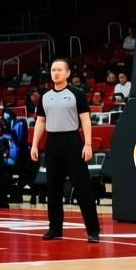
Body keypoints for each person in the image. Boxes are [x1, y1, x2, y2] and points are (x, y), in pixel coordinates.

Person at [30, 58, 100, 243]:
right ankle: (55, 229)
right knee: (53, 188)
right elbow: (40, 122)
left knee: (82, 186)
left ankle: (93, 231)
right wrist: (35, 144)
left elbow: (85, 120)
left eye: (60, 70)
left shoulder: (77, 93)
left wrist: (88, 144)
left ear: (68, 73)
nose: (56, 73)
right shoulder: (45, 95)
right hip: (52, 142)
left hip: (72, 141)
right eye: (53, 70)